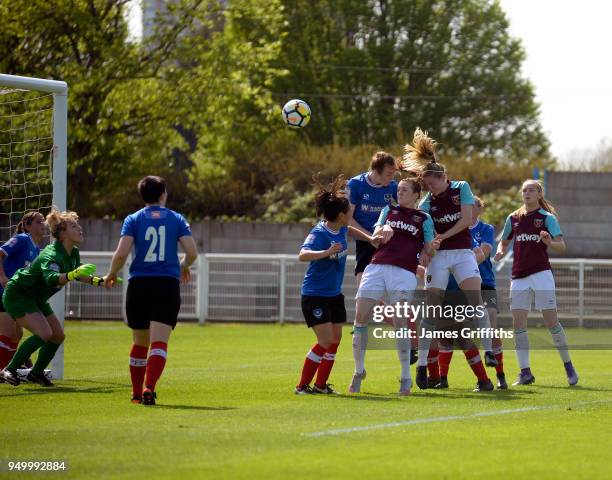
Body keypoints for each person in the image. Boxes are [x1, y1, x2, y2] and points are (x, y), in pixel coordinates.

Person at [402, 128, 496, 392]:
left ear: (443, 177)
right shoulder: (426, 205)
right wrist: (428, 246)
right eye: (426, 186)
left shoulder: (460, 188)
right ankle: (421, 365)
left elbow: (466, 220)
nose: (429, 189)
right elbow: (422, 231)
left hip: (463, 253)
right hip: (440, 258)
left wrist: (441, 235)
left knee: (476, 302)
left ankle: (489, 351)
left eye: (431, 184)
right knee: (431, 310)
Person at [104, 176, 198, 405]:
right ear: (163, 194)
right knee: (159, 342)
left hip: (139, 285)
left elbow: (122, 253)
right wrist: (184, 266)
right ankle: (149, 387)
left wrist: (112, 273)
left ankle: (136, 393)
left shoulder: (133, 219)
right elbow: (192, 252)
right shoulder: (176, 219)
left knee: (139, 342)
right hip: (166, 284)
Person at [349, 178, 437, 395]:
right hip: (377, 267)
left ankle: (405, 377)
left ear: (417, 195)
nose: (400, 192)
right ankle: (359, 371)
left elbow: (429, 249)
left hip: (404, 272)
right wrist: (383, 228)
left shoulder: (423, 218)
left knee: (400, 321)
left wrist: (430, 249)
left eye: (405, 190)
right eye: (398, 189)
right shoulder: (388, 210)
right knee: (360, 317)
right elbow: (377, 235)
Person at [1, 208, 107, 386]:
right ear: (62, 233)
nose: (80, 228)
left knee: (57, 335)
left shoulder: (72, 252)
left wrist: (100, 281)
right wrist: (72, 275)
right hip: (19, 294)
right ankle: (9, 369)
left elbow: (77, 272)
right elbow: (51, 278)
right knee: (44, 333)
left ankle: (35, 373)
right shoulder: (52, 254)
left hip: (36, 297)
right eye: (74, 226)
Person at [296, 175, 381, 395]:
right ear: (341, 215)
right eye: (349, 212)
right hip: (315, 295)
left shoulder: (342, 228)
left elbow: (351, 231)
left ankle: (321, 385)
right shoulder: (320, 233)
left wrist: (369, 238)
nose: (351, 214)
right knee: (324, 341)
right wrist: (326, 253)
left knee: (335, 340)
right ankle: (302, 386)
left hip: (334, 295)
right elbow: (302, 255)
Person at [494, 179, 578, 386]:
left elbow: (561, 246)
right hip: (519, 277)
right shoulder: (513, 218)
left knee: (551, 322)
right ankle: (525, 373)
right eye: (524, 190)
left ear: (539, 194)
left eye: (531, 190)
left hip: (541, 274)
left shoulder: (547, 218)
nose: (527, 193)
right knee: (518, 325)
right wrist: (499, 251)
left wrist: (550, 242)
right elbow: (503, 242)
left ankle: (568, 366)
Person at [435, 196, 508, 389]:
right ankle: (443, 378)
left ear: (479, 209)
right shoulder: (453, 228)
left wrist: (460, 266)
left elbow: (483, 253)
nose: (466, 208)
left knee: (491, 325)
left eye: (471, 205)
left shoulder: (485, 229)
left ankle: (500, 374)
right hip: (454, 288)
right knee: (450, 333)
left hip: (484, 284)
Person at [0, 212, 46, 372]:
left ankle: (8, 368)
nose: (44, 224)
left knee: (16, 335)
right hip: (3, 290)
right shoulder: (22, 239)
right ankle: (3, 371)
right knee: (8, 333)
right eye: (39, 221)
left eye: (44, 221)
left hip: (14, 295)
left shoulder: (37, 250)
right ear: (27, 226)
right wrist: (2, 277)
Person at [347, 151, 398, 282]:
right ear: (376, 170)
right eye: (388, 174)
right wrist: (370, 237)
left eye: (393, 174)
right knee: (363, 275)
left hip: (386, 236)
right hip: (365, 238)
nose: (392, 178)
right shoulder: (355, 184)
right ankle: (363, 300)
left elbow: (407, 207)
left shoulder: (392, 186)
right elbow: (347, 218)